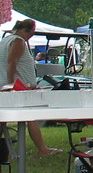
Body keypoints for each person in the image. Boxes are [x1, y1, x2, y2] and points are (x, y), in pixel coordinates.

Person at [0, 19, 62, 157]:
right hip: (18, 87)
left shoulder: (5, 40)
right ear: (27, 30)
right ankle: (42, 149)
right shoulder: (18, 41)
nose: (31, 37)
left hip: (8, 85)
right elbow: (12, 62)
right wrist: (11, 84)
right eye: (32, 33)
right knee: (30, 117)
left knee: (3, 120)